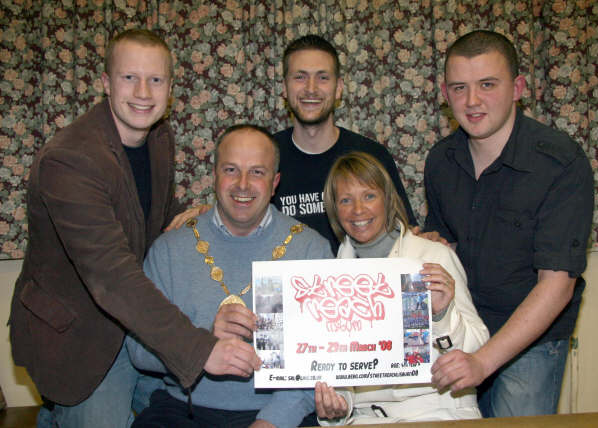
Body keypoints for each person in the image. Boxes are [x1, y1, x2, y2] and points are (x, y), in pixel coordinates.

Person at [9, 29, 243, 428]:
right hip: (79, 335)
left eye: (155, 79)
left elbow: (149, 211)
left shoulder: (158, 137)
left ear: (170, 89)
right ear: (105, 83)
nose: (143, 92)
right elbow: (111, 276)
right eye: (128, 77)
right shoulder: (70, 160)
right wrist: (198, 347)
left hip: (135, 321)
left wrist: (196, 215)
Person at [425, 30, 594, 417]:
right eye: (459, 87)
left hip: (532, 343)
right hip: (462, 330)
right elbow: (443, 247)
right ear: (445, 93)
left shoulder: (561, 163)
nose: (471, 101)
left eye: (487, 85)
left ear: (518, 87)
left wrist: (483, 362)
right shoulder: (440, 161)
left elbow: (556, 287)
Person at [127, 124, 333, 428]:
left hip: (279, 413)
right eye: (231, 169)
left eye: (257, 172)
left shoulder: (310, 249)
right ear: (214, 176)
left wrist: (271, 421)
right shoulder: (169, 249)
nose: (243, 184)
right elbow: (138, 351)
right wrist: (202, 344)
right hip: (183, 410)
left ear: (275, 182)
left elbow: (320, 360)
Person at [313, 152, 489, 424]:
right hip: (365, 419)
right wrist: (338, 407)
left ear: (388, 198)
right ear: (334, 209)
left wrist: (442, 315)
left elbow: (477, 348)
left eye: (369, 196)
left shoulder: (432, 258)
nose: (358, 210)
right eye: (345, 200)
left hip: (437, 412)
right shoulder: (332, 276)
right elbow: (340, 369)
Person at [272, 35, 417, 252]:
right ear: (284, 87)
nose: (311, 89)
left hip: (362, 283)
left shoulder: (371, 156)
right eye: (300, 77)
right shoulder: (264, 157)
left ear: (339, 88)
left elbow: (406, 238)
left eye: (322, 78)